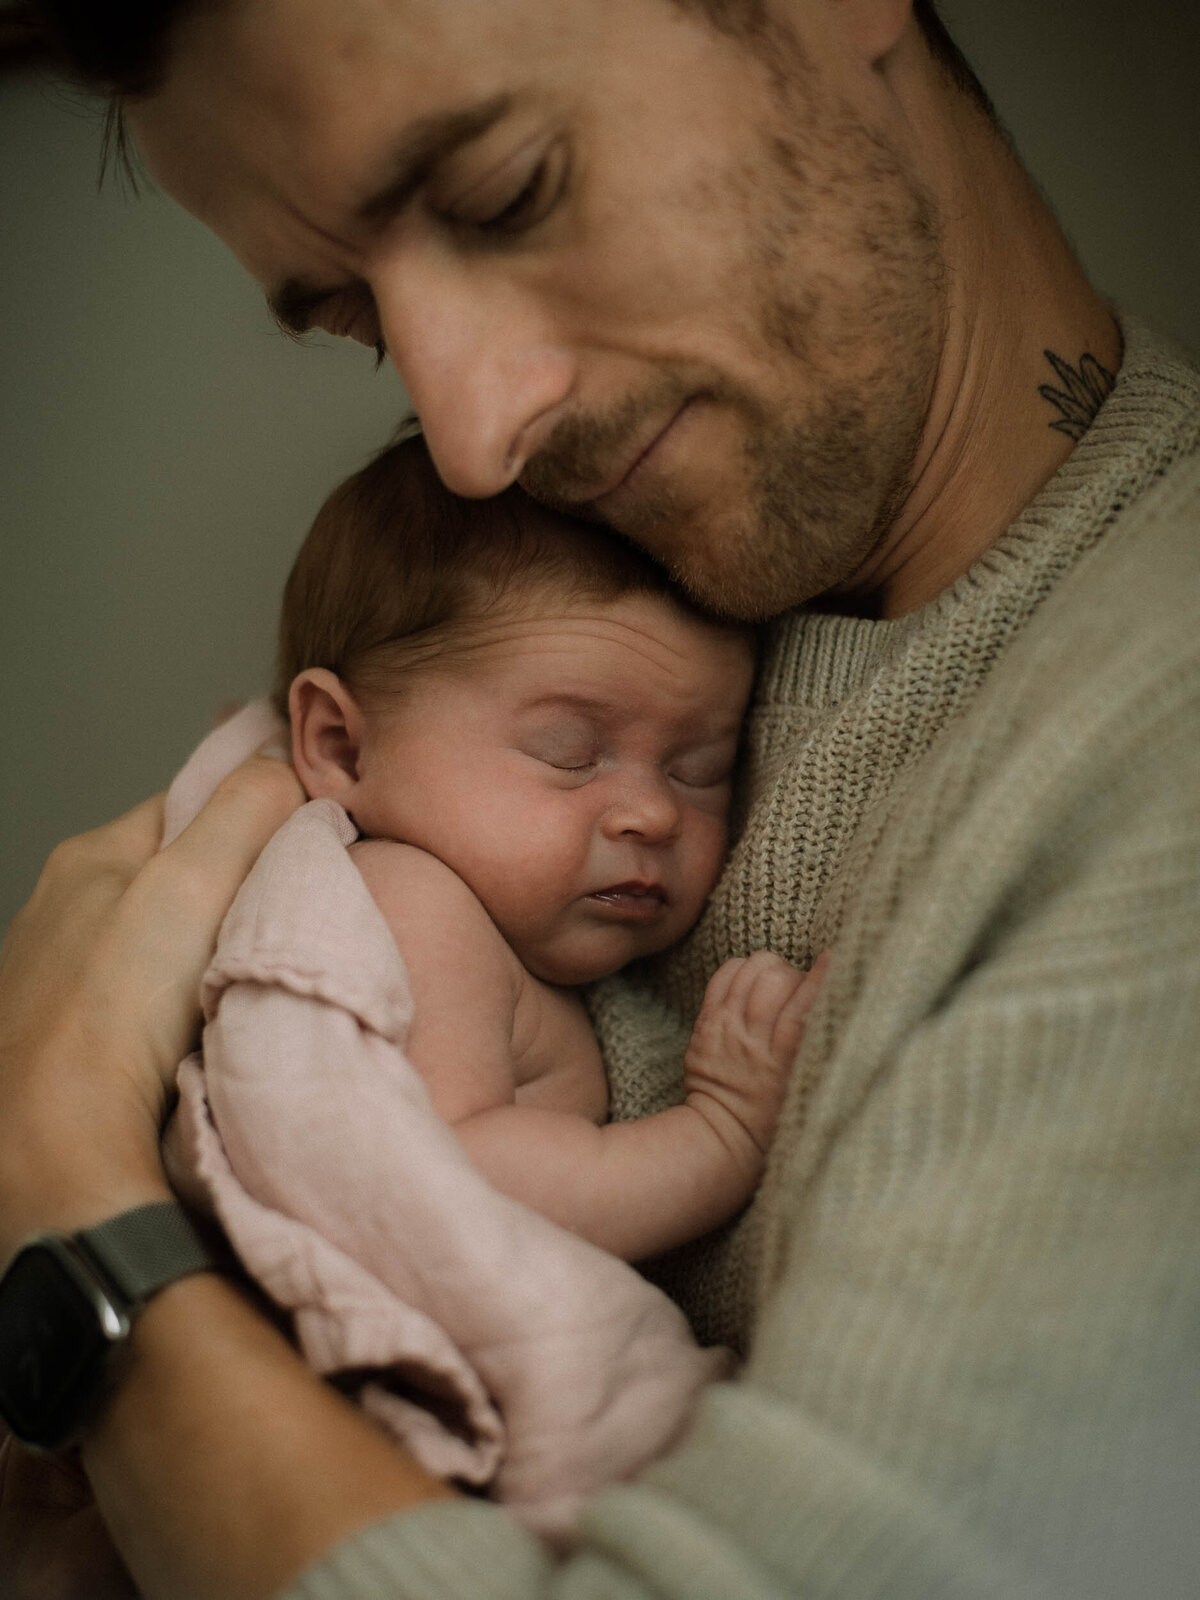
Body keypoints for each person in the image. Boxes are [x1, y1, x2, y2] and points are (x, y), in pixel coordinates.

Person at [0, 3, 1196, 1599]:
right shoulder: (546, 675)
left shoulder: (1151, 746)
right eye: (356, 313)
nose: (473, 436)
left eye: (506, 192)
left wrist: (72, 1207)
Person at [272, 432, 820, 1263]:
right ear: (344, 747)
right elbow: (455, 1183)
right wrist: (727, 1133)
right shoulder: (413, 907)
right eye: (570, 752)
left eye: (700, 770)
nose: (652, 814)